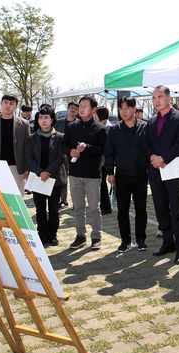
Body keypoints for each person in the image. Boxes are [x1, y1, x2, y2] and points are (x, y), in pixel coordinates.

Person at [144, 85, 179, 264]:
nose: (156, 100)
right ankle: (168, 242)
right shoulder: (151, 121)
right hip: (155, 171)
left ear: (169, 98)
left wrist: (163, 158)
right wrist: (153, 158)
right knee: (161, 209)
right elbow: (146, 143)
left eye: (160, 97)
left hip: (173, 169)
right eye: (154, 98)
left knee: (177, 209)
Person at [62, 96, 107, 250]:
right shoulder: (72, 126)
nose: (81, 109)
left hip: (93, 175)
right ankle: (80, 235)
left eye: (85, 106)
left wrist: (86, 147)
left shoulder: (100, 129)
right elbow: (64, 145)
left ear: (93, 109)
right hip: (74, 174)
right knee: (78, 208)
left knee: (94, 208)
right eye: (80, 106)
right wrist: (71, 151)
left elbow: (103, 150)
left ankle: (96, 236)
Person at [105, 97, 149, 253]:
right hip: (121, 175)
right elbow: (109, 153)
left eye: (127, 108)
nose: (124, 111)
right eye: (121, 108)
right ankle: (125, 240)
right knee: (122, 210)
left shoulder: (145, 127)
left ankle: (141, 240)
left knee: (141, 209)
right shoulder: (114, 130)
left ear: (134, 109)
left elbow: (150, 151)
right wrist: (110, 173)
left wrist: (150, 171)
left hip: (140, 175)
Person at [25, 105, 66, 247]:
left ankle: (53, 235)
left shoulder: (60, 137)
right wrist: (40, 172)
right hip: (37, 178)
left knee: (54, 209)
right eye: (40, 117)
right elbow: (29, 158)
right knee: (40, 209)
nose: (43, 120)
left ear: (52, 120)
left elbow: (62, 156)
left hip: (54, 178)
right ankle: (42, 234)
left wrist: (47, 172)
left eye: (46, 117)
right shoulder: (31, 138)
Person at [0, 94, 31, 196]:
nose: (8, 106)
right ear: (1, 104)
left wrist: (27, 167)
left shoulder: (24, 124)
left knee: (17, 195)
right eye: (6, 103)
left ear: (16, 106)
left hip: (17, 166)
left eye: (11, 104)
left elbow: (27, 147)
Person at [56, 101, 79, 208]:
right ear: (68, 108)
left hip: (74, 154)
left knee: (75, 178)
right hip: (60, 153)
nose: (73, 110)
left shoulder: (79, 123)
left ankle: (77, 201)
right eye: (71, 108)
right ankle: (63, 200)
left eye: (75, 108)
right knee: (62, 177)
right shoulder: (59, 123)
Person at [95, 107, 113, 215]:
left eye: (96, 115)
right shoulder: (103, 126)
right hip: (102, 160)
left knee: (102, 183)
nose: (95, 117)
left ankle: (106, 206)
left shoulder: (108, 128)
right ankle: (105, 205)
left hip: (104, 161)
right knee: (101, 183)